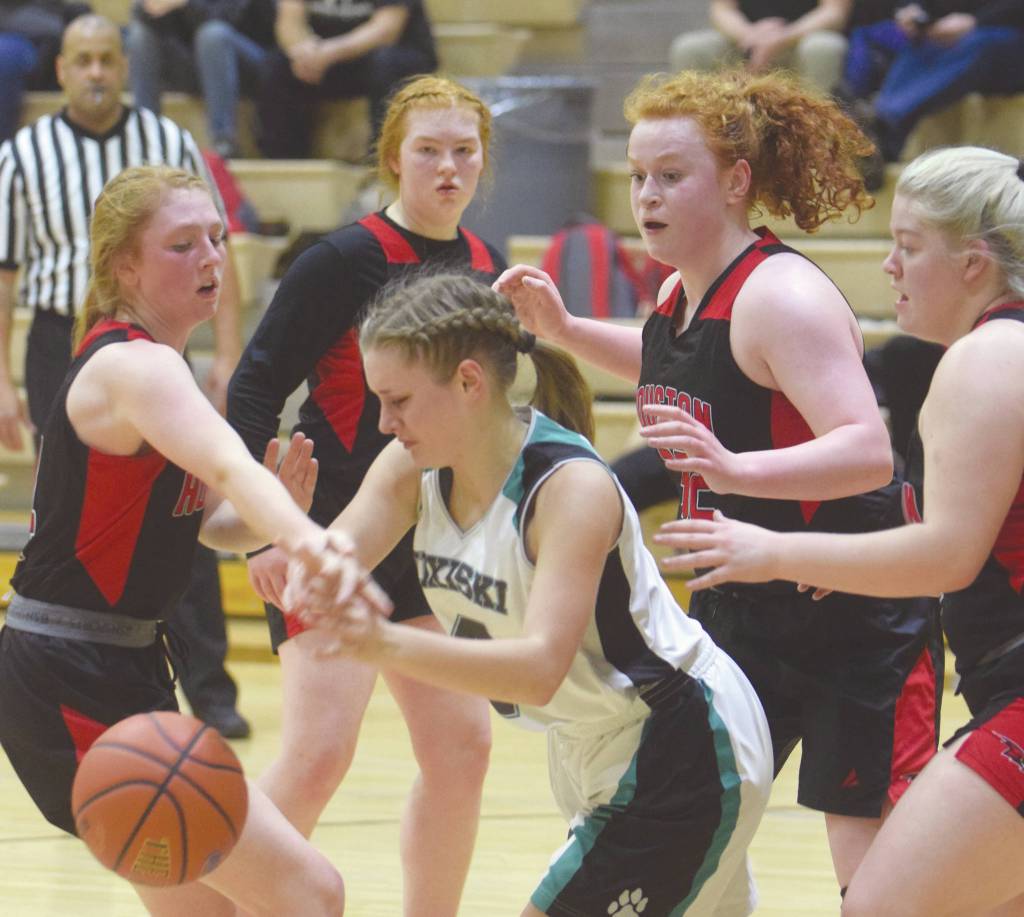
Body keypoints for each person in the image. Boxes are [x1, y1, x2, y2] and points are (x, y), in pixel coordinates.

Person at [495, 68, 945, 900]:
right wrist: (561, 331)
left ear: (736, 182)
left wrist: (735, 470)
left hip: (856, 613)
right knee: (691, 819)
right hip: (743, 601)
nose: (646, 195)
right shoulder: (679, 291)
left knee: (873, 873)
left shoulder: (783, 296)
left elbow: (868, 450)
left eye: (672, 176)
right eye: (637, 176)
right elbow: (675, 363)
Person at [282, 272, 773, 916]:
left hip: (678, 744)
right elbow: (323, 575)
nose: (384, 420)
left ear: (467, 382)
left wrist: (383, 642)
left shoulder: (568, 489)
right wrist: (295, 541)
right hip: (590, 745)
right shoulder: (412, 469)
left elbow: (539, 669)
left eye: (398, 399)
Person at [654, 145, 1024, 917]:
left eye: (910, 246)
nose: (888, 266)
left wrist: (772, 550)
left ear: (974, 263)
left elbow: (947, 555)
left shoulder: (988, 360)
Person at [0, 164, 365, 916]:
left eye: (216, 238)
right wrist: (306, 540)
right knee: (312, 891)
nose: (209, 259)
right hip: (73, 676)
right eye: (180, 244)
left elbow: (198, 524)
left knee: (206, 911)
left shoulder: (147, 365)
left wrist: (275, 519)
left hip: (107, 665)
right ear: (123, 265)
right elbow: (232, 463)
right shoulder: (138, 366)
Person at [227, 74, 501, 915]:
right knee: (316, 754)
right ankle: (224, 900)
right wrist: (265, 532)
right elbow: (251, 388)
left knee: (461, 745)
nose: (448, 168)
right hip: (332, 533)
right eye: (429, 151)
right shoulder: (342, 259)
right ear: (393, 160)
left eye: (464, 151)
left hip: (431, 547)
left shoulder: (484, 262)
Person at [0, 13, 249, 738]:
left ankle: (208, 684)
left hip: (157, 328)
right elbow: (6, 275)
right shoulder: (24, 152)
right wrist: (5, 379)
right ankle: (80, 663)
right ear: (63, 71)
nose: (98, 72)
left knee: (181, 499)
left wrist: (227, 348)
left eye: (109, 58)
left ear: (124, 63)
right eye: (83, 60)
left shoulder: (168, 143)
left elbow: (213, 254)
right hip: (60, 336)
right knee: (99, 513)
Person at [845, 2, 1024, 165]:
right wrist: (919, 11)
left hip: (1008, 40)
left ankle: (884, 121)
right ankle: (883, 130)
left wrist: (975, 21)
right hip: (969, 33)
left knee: (980, 43)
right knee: (925, 41)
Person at [258, 0, 437, 159]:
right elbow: (289, 21)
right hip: (327, 59)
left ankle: (384, 162)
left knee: (386, 63)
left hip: (390, 54)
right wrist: (303, 51)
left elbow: (386, 30)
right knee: (277, 64)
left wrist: (329, 53)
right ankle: (283, 160)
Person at [126, 0, 278, 159]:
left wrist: (186, 4)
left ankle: (224, 140)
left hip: (247, 61)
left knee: (213, 35)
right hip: (192, 63)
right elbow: (140, 14)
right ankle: (144, 136)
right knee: (140, 35)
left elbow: (229, 17)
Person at [669, 0, 853, 96]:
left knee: (824, 47)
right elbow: (722, 10)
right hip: (745, 43)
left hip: (801, 42)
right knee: (690, 48)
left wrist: (784, 36)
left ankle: (818, 136)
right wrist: (751, 36)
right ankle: (701, 134)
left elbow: (834, 12)